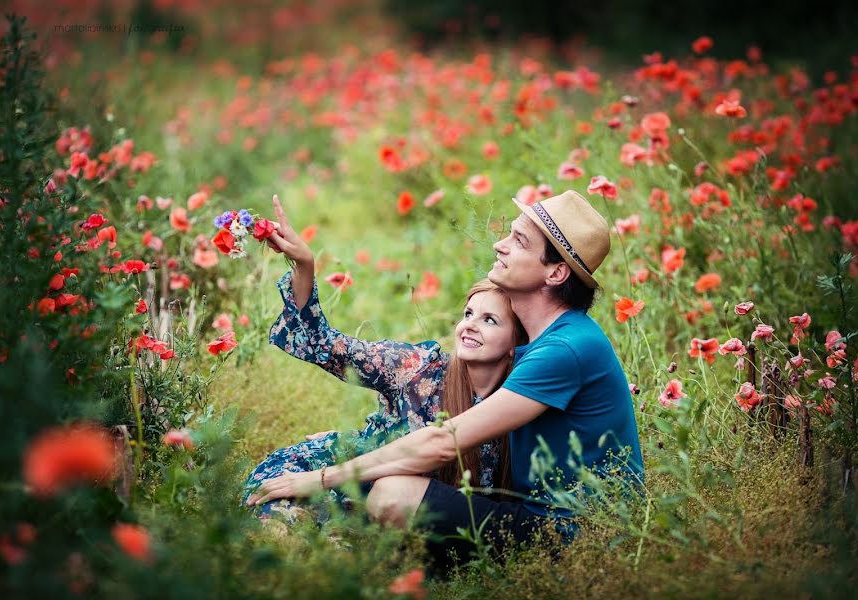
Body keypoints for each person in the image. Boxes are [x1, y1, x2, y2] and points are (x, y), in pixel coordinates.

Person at [247, 189, 644, 565]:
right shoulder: (535, 348)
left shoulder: (565, 349)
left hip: (573, 535)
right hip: (541, 520)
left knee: (394, 496)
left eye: (520, 241)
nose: (500, 245)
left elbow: (442, 442)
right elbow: (324, 345)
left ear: (556, 273)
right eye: (470, 314)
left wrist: (322, 478)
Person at [243, 195, 527, 524]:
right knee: (274, 526)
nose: (469, 325)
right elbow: (324, 344)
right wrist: (305, 264)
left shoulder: (514, 405)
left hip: (387, 517)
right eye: (467, 313)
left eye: (489, 320)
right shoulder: (419, 366)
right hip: (321, 478)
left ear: (514, 345)